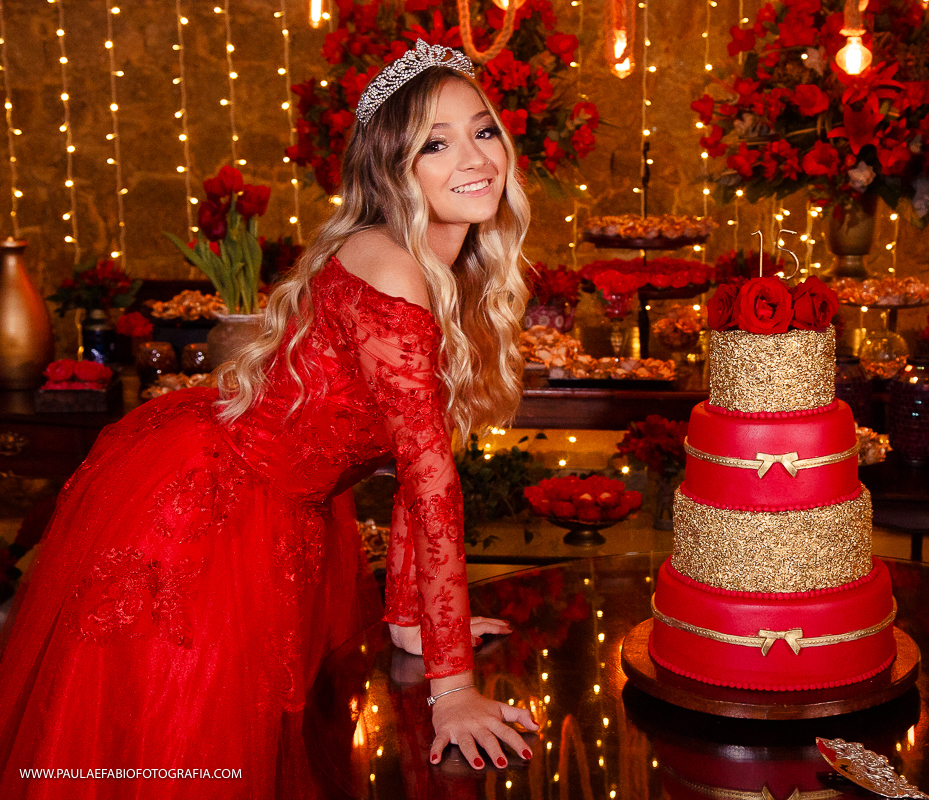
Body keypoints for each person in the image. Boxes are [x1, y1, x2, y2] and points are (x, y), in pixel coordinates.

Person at [0, 40, 537, 798]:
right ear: (391, 170)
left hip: (281, 504)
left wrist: (417, 624)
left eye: (483, 131)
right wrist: (452, 689)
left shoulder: (437, 267)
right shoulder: (394, 266)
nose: (475, 158)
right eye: (434, 145)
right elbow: (430, 486)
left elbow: (424, 457)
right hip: (207, 511)